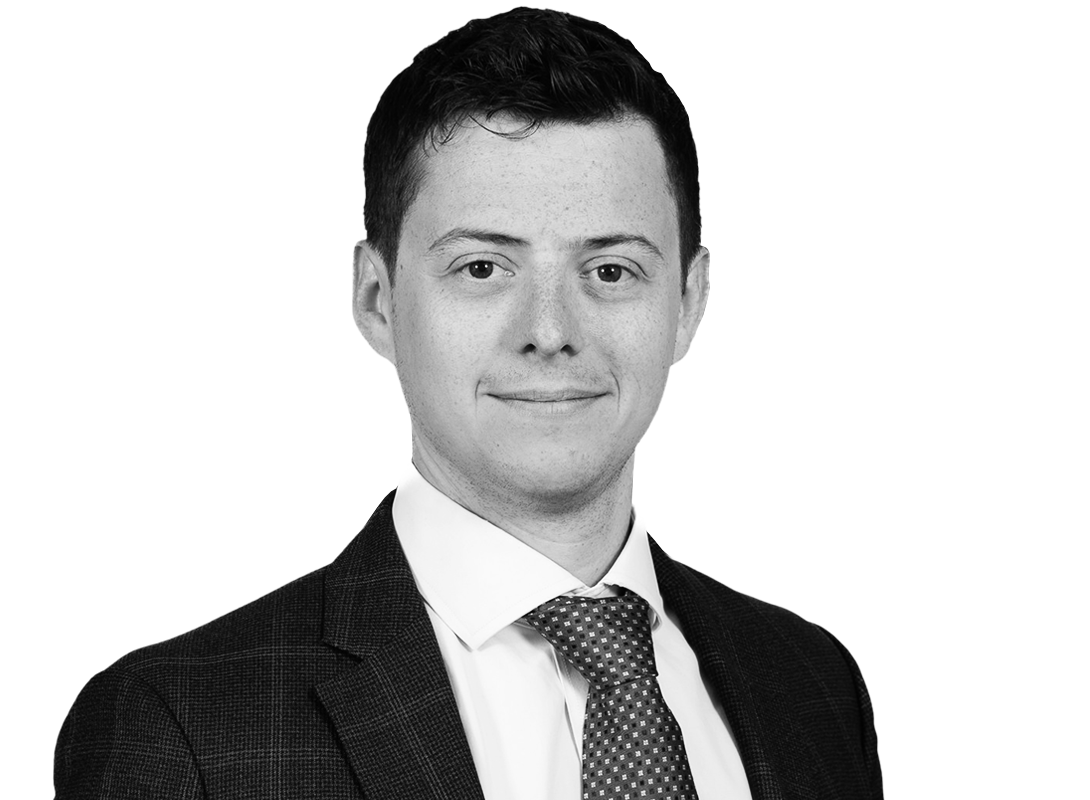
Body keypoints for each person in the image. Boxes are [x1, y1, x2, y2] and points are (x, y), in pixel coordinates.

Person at [53, 6, 883, 799]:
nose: (550, 332)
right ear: (377, 299)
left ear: (690, 302)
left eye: (611, 270)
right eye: (483, 268)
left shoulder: (812, 685)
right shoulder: (179, 728)